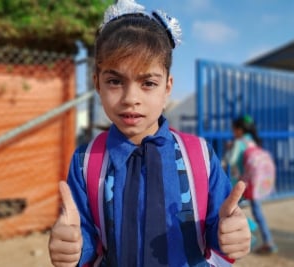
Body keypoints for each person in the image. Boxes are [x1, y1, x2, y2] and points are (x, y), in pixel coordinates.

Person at [48, 0, 252, 266]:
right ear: (97, 83)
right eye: (115, 81)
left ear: (167, 87)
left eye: (148, 83)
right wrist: (72, 246)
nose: (131, 98)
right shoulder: (86, 162)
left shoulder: (199, 156)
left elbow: (219, 224)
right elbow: (85, 236)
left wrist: (230, 232)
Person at [227, 115, 277, 255]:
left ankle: (245, 239)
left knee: (231, 209)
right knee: (256, 211)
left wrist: (230, 149)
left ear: (239, 130)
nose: (233, 132)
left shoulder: (238, 142)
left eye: (234, 130)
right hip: (254, 181)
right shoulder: (252, 141)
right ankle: (268, 241)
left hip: (240, 183)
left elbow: (230, 160)